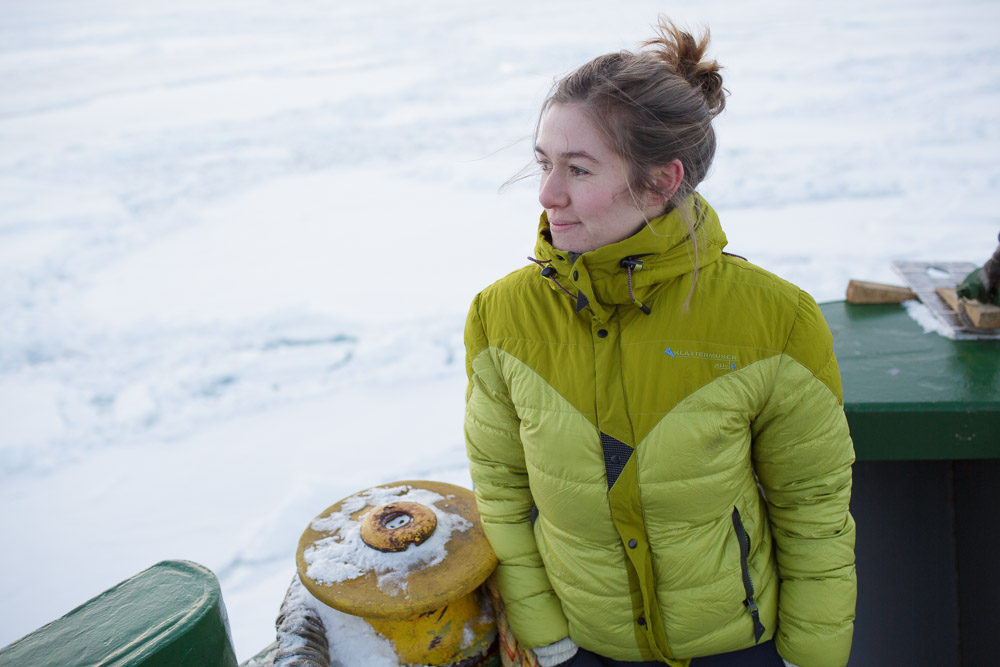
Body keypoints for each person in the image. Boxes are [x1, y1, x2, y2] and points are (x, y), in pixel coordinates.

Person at [464, 17, 856, 667]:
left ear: (661, 182)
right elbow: (502, 491)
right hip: (582, 648)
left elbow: (813, 511)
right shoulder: (502, 316)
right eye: (543, 163)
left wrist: (810, 658)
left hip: (735, 648)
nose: (546, 193)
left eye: (578, 169)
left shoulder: (773, 319)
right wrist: (551, 641)